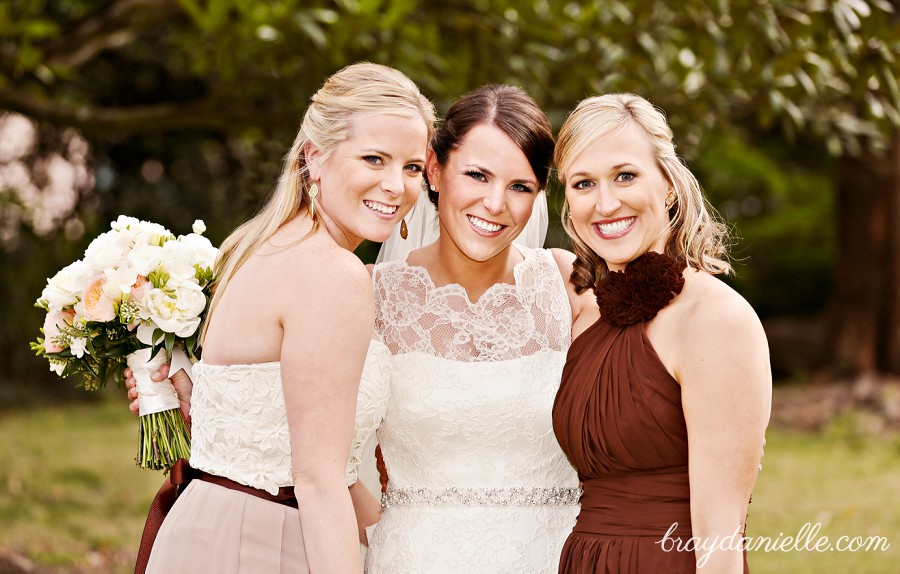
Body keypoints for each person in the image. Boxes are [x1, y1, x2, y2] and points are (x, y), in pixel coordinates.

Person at [138, 62, 436, 574]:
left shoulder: (255, 247)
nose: (396, 185)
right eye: (374, 158)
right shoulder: (334, 274)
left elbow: (279, 440)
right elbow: (318, 480)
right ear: (314, 158)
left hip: (210, 527)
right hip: (263, 542)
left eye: (411, 167)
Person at [351, 83, 592, 573]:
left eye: (520, 186)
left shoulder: (567, 285)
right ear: (435, 170)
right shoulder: (368, 294)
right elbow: (325, 458)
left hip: (554, 557)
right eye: (477, 175)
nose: (495, 203)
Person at [551, 93, 771, 573]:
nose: (605, 203)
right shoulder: (588, 316)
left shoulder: (716, 320)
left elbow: (720, 533)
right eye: (583, 183)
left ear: (668, 183)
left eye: (625, 176)